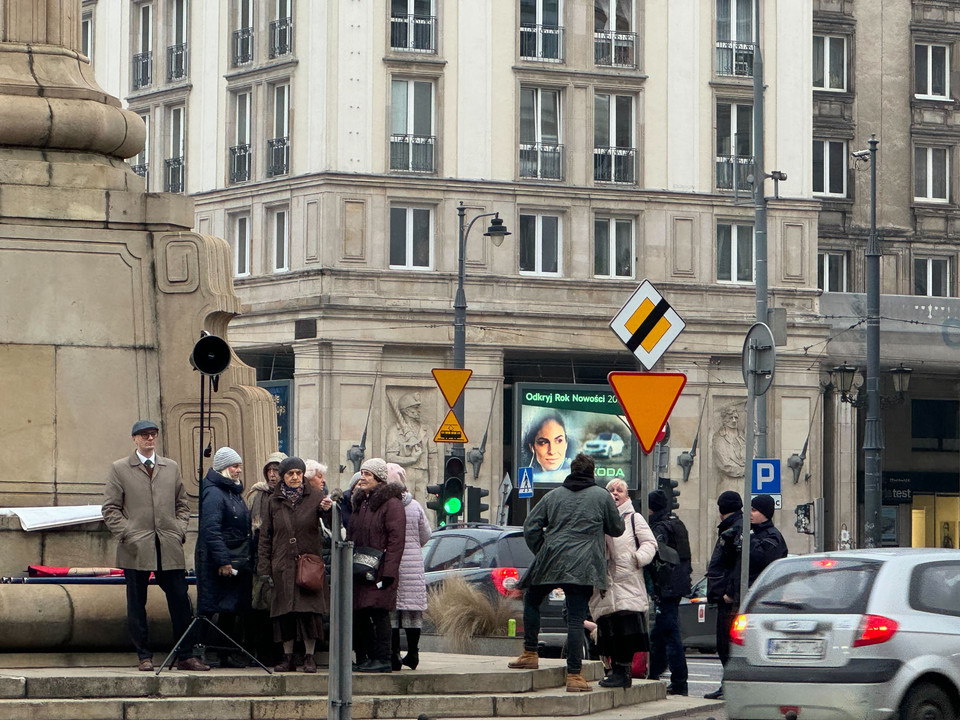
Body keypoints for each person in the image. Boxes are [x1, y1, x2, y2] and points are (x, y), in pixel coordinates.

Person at [508, 452, 625, 692]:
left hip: (551, 559)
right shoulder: (602, 496)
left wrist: (542, 549)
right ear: (592, 473)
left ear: (571, 471)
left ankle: (530, 652)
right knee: (575, 619)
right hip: (583, 565)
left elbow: (531, 526)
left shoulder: (553, 496)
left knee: (532, 599)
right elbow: (617, 528)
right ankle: (574, 676)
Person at [101, 419, 210, 672]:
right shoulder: (120, 468)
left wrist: (178, 530)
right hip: (136, 547)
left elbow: (182, 504)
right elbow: (110, 508)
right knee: (137, 602)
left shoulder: (170, 467)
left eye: (153, 435)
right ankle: (144, 655)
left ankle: (186, 654)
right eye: (144, 435)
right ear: (135, 439)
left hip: (167, 544)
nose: (149, 439)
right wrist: (128, 533)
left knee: (179, 598)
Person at [257, 456, 333, 673]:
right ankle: (287, 657)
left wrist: (328, 511)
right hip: (282, 564)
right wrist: (264, 567)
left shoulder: (316, 497)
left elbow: (329, 526)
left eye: (298, 473)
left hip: (308, 565)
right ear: (283, 476)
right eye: (290, 474)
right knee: (284, 613)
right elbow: (265, 536)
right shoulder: (274, 501)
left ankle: (310, 657)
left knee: (310, 612)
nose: (294, 477)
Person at [588, 478, 658, 689]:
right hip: (605, 584)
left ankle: (623, 671)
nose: (615, 493)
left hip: (628, 582)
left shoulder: (634, 518)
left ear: (627, 496)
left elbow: (650, 543)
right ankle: (614, 672)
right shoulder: (598, 517)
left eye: (620, 490)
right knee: (609, 630)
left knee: (626, 630)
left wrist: (637, 558)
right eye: (611, 490)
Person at [348, 458, 406, 673]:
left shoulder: (391, 504)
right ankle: (368, 657)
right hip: (362, 568)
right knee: (362, 613)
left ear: (379, 478)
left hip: (380, 570)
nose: (362, 478)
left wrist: (389, 572)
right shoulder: (362, 502)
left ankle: (383, 658)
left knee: (380, 613)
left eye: (367, 474)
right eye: (362, 473)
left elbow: (395, 540)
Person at [196, 447, 253, 668]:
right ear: (223, 468)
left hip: (236, 557)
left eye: (239, 466)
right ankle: (198, 651)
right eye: (234, 466)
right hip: (217, 561)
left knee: (231, 608)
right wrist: (223, 561)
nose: (238, 470)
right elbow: (211, 529)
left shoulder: (233, 491)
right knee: (210, 608)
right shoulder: (214, 493)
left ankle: (225, 653)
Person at [647, 490, 693, 696]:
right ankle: (653, 675)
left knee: (670, 633)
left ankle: (679, 682)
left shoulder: (659, 528)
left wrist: (656, 586)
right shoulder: (678, 524)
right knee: (659, 633)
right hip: (677, 585)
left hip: (667, 588)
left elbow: (658, 558)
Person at [386, 463, 431, 671]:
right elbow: (426, 535)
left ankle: (394, 654)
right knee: (413, 612)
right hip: (413, 563)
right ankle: (413, 653)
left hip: (392, 562)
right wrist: (413, 547)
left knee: (393, 611)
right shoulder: (415, 506)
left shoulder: (387, 506)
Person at [243, 450, 286, 664]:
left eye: (276, 470)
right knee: (260, 606)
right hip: (261, 559)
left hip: (282, 560)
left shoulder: (289, 496)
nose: (272, 475)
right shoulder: (259, 495)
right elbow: (254, 529)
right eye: (269, 470)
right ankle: (261, 653)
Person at [703, 490, 743, 700]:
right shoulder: (736, 527)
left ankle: (728, 686)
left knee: (725, 643)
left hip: (728, 598)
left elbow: (735, 565)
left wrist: (729, 593)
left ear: (721, 509)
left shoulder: (733, 530)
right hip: (728, 595)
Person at [523, 411, 574, 482]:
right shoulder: (526, 478)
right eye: (543, 442)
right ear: (532, 447)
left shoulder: (576, 475)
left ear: (566, 443)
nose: (552, 451)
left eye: (559, 441)